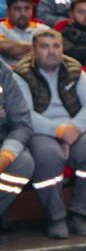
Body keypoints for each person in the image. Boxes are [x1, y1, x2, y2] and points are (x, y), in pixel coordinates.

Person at [14, 30, 86, 238]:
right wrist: (58, 131)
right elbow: (25, 114)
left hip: (75, 128)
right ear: (33, 50)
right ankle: (55, 218)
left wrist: (73, 129)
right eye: (45, 46)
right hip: (40, 131)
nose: (52, 51)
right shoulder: (21, 73)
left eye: (56, 46)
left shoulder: (74, 69)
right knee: (47, 156)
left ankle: (79, 214)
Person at [0, 59, 34, 222]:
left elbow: (22, 123)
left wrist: (6, 156)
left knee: (23, 163)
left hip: (2, 140)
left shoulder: (3, 71)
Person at [0, 0, 49, 67]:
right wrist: (38, 47)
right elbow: (4, 47)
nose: (23, 13)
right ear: (8, 11)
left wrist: (16, 47)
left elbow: (51, 52)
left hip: (36, 74)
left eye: (27, 8)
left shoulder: (43, 29)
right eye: (17, 9)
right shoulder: (1, 28)